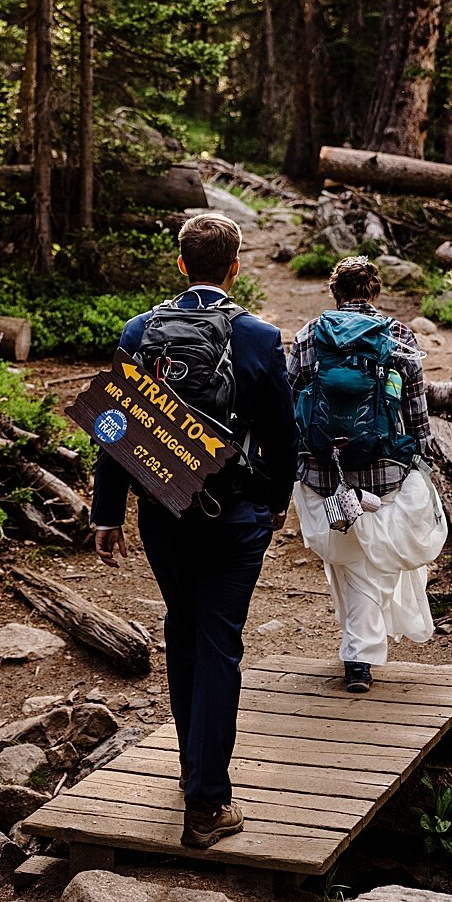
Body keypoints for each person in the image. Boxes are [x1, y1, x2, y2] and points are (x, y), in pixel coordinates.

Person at [90, 212, 299, 850]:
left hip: (162, 511)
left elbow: (114, 427)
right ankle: (208, 803)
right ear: (234, 266)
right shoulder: (261, 338)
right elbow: (282, 435)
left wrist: (106, 512)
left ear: (181, 263)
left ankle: (192, 771)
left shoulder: (139, 330)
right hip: (233, 516)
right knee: (218, 644)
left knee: (181, 628)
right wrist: (274, 502)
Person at [288, 255, 446, 693]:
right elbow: (416, 411)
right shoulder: (398, 335)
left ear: (335, 292)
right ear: (374, 291)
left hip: (324, 470)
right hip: (384, 470)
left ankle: (358, 652)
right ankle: (360, 652)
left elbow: (292, 401)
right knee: (370, 558)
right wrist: (422, 458)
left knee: (351, 558)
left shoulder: (308, 335)